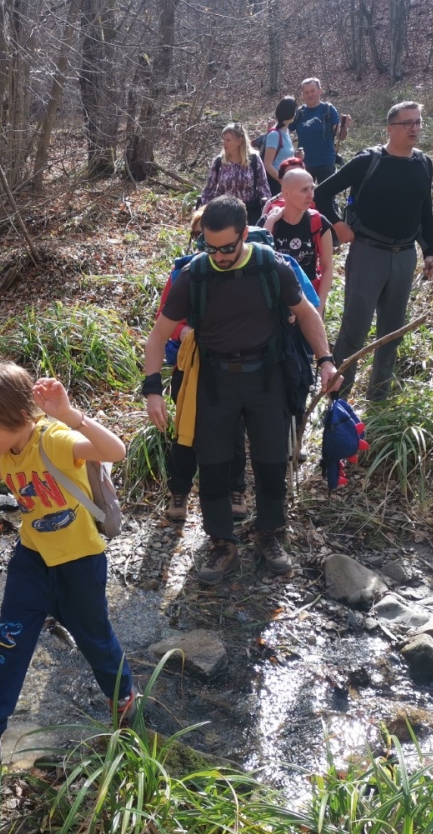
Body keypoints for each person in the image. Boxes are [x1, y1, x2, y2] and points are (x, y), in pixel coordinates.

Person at [0, 362, 136, 789]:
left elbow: (115, 451)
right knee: (7, 641)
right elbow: (4, 471)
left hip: (80, 562)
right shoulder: (4, 448)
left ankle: (123, 701)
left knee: (94, 637)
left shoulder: (55, 438)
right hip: (31, 560)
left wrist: (70, 414)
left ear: (22, 418)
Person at [144, 196, 341, 583]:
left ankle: (268, 534)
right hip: (214, 381)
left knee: (271, 462)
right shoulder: (195, 275)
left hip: (266, 376)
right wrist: (153, 389)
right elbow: (157, 337)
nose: (219, 256)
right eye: (210, 248)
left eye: (228, 248)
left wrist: (325, 360)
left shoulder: (272, 267)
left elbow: (306, 314)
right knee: (214, 465)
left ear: (244, 234)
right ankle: (222, 544)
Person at [314, 101, 433, 401]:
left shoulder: (423, 163)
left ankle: (378, 399)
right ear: (390, 128)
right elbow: (322, 193)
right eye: (407, 123)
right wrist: (339, 226)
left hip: (405, 254)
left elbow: (424, 209)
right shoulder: (369, 160)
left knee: (392, 332)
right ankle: (337, 400)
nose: (414, 128)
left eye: (418, 122)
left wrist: (429, 251)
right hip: (368, 252)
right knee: (354, 331)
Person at [264, 168, 334, 311]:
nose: (310, 196)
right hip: (275, 298)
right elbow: (258, 255)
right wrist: (270, 221)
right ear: (286, 194)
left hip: (309, 298)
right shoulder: (269, 221)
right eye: (304, 190)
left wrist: (319, 306)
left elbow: (327, 267)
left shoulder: (319, 222)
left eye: (312, 189)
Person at [194, 123, 271, 228]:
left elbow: (264, 188)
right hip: (223, 212)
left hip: (250, 212)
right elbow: (209, 190)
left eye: (228, 140)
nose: (224, 143)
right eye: (224, 139)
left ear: (239, 141)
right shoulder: (219, 162)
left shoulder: (254, 160)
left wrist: (267, 210)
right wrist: (203, 211)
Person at [290, 78, 351, 186]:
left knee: (326, 198)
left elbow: (340, 136)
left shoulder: (328, 110)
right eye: (306, 92)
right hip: (304, 164)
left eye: (313, 91)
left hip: (326, 162)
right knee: (305, 200)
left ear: (320, 91)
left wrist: (344, 127)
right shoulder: (299, 113)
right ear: (302, 94)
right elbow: (284, 131)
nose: (310, 95)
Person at [262, 97, 299, 196]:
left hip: (285, 182)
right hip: (275, 184)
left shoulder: (286, 132)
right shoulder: (275, 134)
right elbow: (268, 164)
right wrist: (282, 180)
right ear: (290, 113)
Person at [260, 157, 307, 221]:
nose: (297, 180)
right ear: (281, 181)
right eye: (291, 177)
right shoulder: (270, 204)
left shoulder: (313, 199)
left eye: (301, 176)